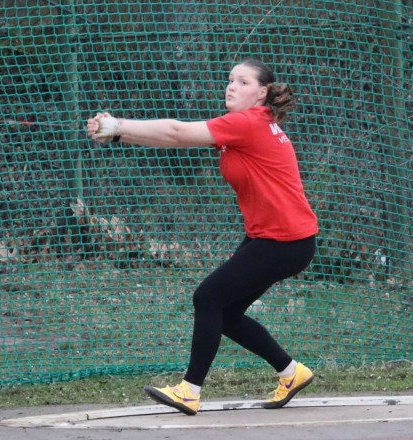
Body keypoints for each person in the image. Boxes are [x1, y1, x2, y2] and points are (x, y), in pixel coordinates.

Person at [86, 59, 319, 415]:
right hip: (275, 238)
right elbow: (177, 141)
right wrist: (117, 134)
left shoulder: (248, 123)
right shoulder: (246, 124)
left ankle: (189, 390)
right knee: (226, 312)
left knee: (207, 297)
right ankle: (291, 373)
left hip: (285, 242)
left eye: (242, 82)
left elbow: (177, 132)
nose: (231, 86)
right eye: (230, 80)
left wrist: (118, 124)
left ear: (262, 93)